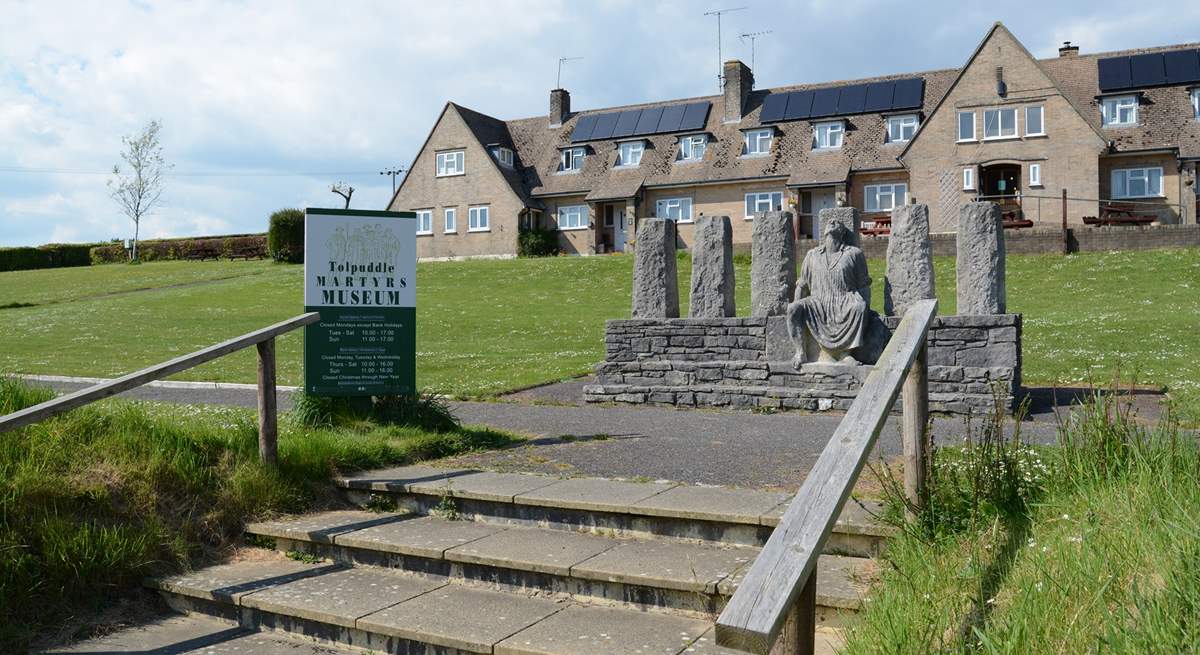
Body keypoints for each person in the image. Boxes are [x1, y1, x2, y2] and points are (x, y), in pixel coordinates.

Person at [786, 219, 871, 368]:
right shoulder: (812, 255)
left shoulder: (854, 253)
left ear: (843, 231)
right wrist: (796, 303)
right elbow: (802, 284)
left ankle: (846, 354)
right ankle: (800, 352)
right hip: (817, 302)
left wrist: (867, 306)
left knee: (860, 306)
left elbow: (863, 284)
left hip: (844, 299)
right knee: (792, 309)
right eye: (829, 222)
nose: (831, 222)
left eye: (837, 222)